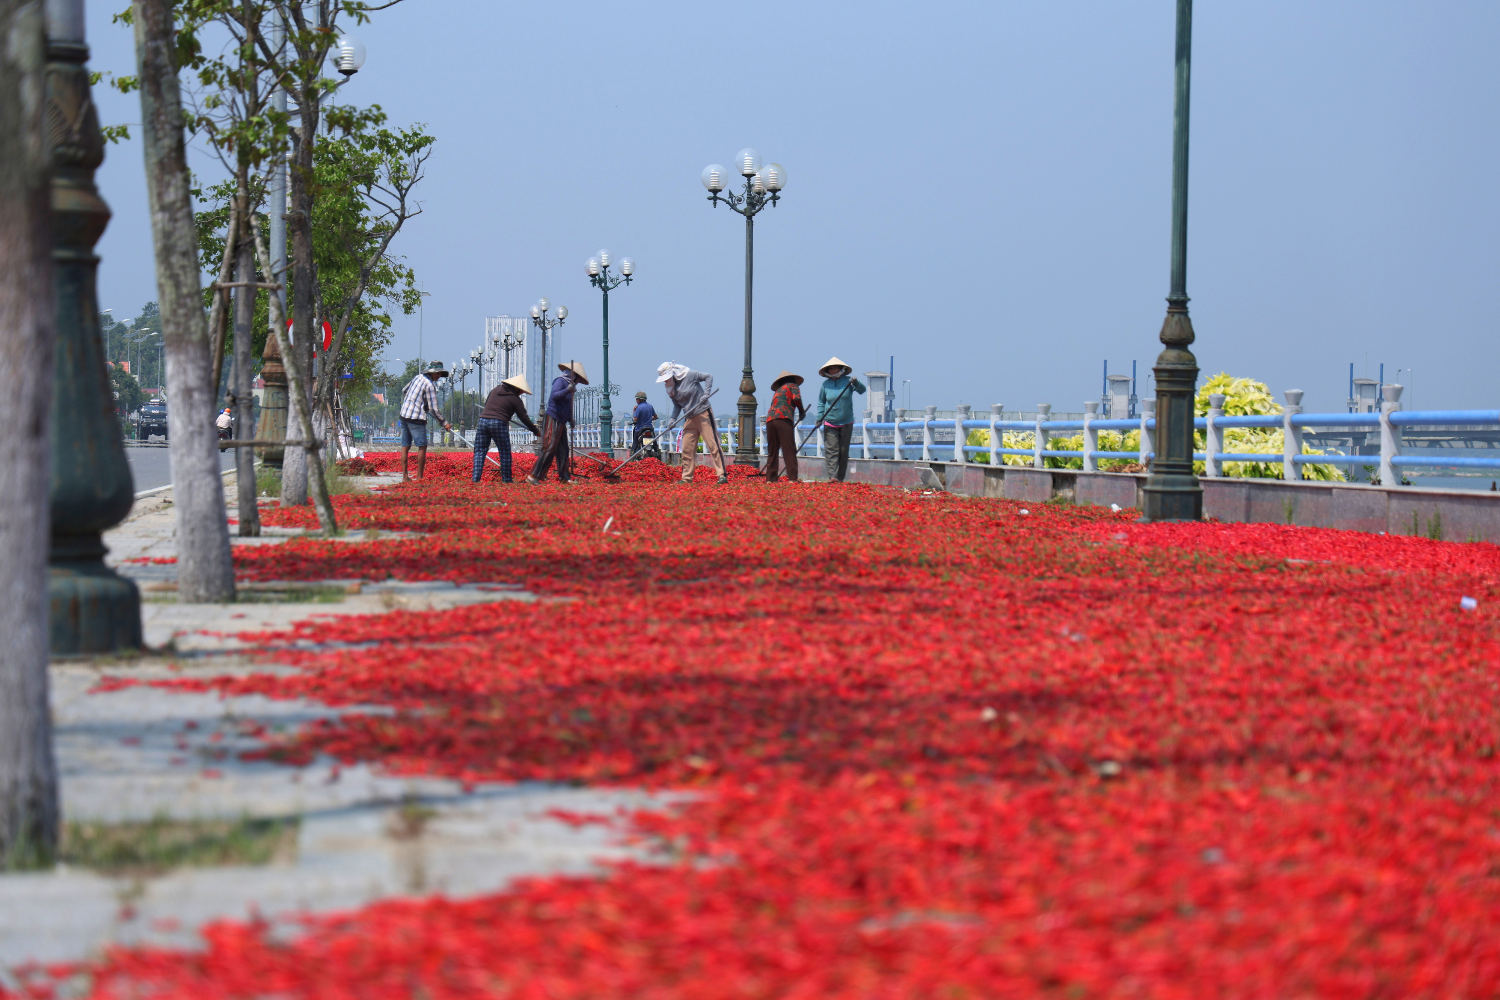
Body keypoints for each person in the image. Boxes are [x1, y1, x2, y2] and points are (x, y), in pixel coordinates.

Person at [657, 361, 727, 484]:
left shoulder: (689, 375)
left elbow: (708, 376)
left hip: (703, 413)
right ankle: (686, 477)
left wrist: (706, 394)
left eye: (666, 378)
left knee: (713, 445)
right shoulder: (671, 388)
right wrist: (673, 419)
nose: (665, 381)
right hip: (689, 417)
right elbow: (677, 405)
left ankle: (722, 475)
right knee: (687, 448)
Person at [527, 361, 587, 485]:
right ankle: (534, 476)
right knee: (550, 447)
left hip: (562, 421)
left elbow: (568, 404)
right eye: (578, 380)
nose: (577, 383)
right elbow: (554, 396)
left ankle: (564, 477)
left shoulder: (571, 388)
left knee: (563, 449)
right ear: (574, 376)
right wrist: (567, 390)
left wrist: (571, 419)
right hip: (554, 418)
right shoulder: (560, 381)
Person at [473, 374, 539, 484]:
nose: (522, 393)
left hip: (483, 421)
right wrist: (535, 430)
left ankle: (475, 479)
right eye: (521, 391)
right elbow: (524, 418)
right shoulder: (515, 399)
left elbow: (487, 404)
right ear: (517, 388)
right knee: (504, 452)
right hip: (498, 422)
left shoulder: (495, 390)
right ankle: (507, 479)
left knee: (479, 451)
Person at [812, 357, 866, 483]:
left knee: (843, 450)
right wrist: (819, 418)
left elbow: (862, 390)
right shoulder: (825, 385)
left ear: (841, 368)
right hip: (830, 422)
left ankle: (840, 477)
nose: (832, 370)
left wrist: (856, 383)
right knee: (831, 451)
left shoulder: (848, 381)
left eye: (835, 367)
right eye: (830, 368)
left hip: (846, 422)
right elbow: (821, 403)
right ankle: (833, 476)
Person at [399, 361, 453, 482]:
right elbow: (434, 409)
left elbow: (404, 390)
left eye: (439, 374)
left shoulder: (417, 377)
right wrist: (444, 423)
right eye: (436, 373)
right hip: (416, 418)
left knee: (405, 446)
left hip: (404, 414)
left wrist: (413, 402)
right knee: (422, 446)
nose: (438, 376)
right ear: (431, 372)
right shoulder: (429, 385)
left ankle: (405, 477)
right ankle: (419, 477)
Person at [763, 370, 806, 483]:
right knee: (789, 448)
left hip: (770, 420)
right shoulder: (793, 386)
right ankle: (792, 478)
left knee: (773, 450)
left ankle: (770, 479)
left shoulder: (778, 390)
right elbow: (796, 398)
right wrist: (802, 411)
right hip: (783, 418)